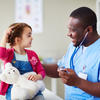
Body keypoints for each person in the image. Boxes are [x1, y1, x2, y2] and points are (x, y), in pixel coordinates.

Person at [43, 7, 100, 100]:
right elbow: (60, 68)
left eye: (73, 30)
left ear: (89, 30)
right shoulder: (74, 46)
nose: (68, 34)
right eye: (68, 29)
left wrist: (78, 82)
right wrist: (38, 66)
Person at [0, 23, 45, 100]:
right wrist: (5, 36)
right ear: (18, 39)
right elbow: (1, 54)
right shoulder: (9, 54)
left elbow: (41, 71)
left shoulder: (32, 54)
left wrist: (38, 76)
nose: (32, 38)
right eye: (29, 35)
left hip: (31, 87)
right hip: (14, 90)